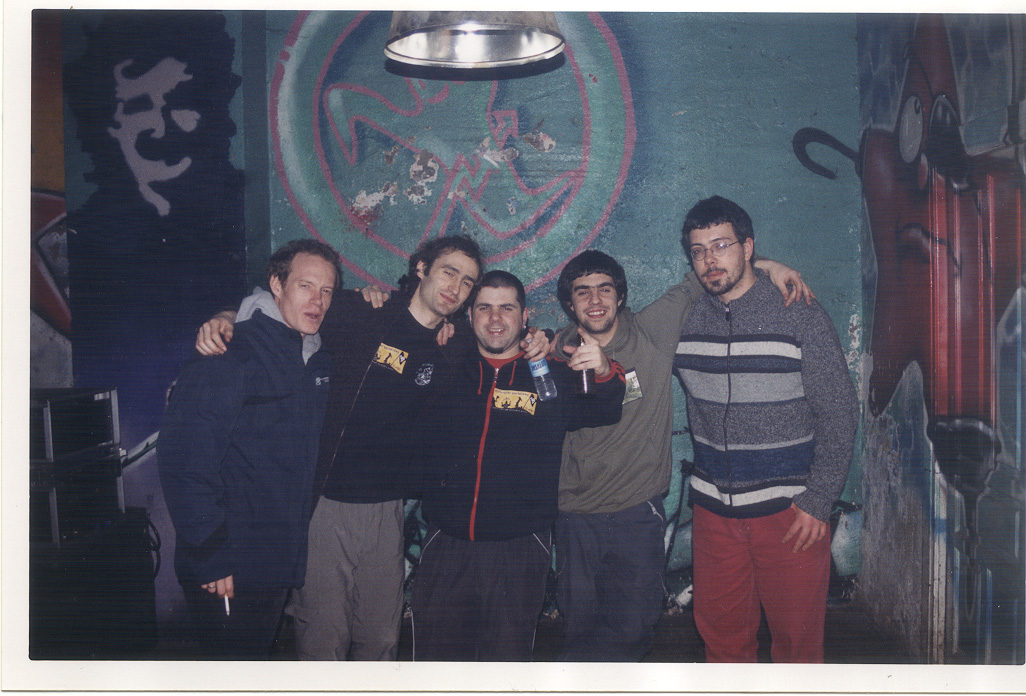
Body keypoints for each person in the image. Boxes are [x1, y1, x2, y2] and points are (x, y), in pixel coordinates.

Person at [194, 236, 550, 660]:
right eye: (448, 272)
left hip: (388, 510)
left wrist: (539, 338)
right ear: (421, 269)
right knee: (324, 637)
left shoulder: (455, 344)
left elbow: (507, 338)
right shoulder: (362, 311)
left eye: (467, 282)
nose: (456, 287)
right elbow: (286, 306)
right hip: (327, 504)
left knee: (382, 639)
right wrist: (226, 317)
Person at [552, 248, 812, 661]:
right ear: (570, 303)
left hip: (636, 511)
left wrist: (770, 265)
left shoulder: (652, 330)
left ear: (621, 296)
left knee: (633, 628)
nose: (595, 300)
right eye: (583, 292)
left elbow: (709, 273)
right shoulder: (555, 354)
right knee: (579, 627)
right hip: (574, 514)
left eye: (605, 289)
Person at [674, 195, 858, 663]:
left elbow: (839, 410)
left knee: (797, 648)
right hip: (714, 512)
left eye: (721, 245)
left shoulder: (798, 310)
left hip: (791, 514)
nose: (710, 260)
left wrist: (818, 500)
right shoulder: (686, 318)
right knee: (723, 645)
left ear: (748, 247)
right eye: (698, 251)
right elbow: (617, 335)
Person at [409, 271, 626, 661]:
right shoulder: (446, 365)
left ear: (525, 316)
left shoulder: (551, 376)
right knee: (436, 667)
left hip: (520, 548)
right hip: (446, 543)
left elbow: (604, 409)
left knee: (507, 666)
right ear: (469, 315)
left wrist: (604, 369)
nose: (495, 319)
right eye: (484, 308)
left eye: (506, 308)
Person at [157, 239, 339, 658]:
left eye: (326, 290)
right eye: (306, 286)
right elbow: (184, 460)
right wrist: (211, 555)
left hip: (275, 561)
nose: (317, 301)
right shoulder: (230, 351)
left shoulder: (314, 357)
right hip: (227, 564)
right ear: (276, 285)